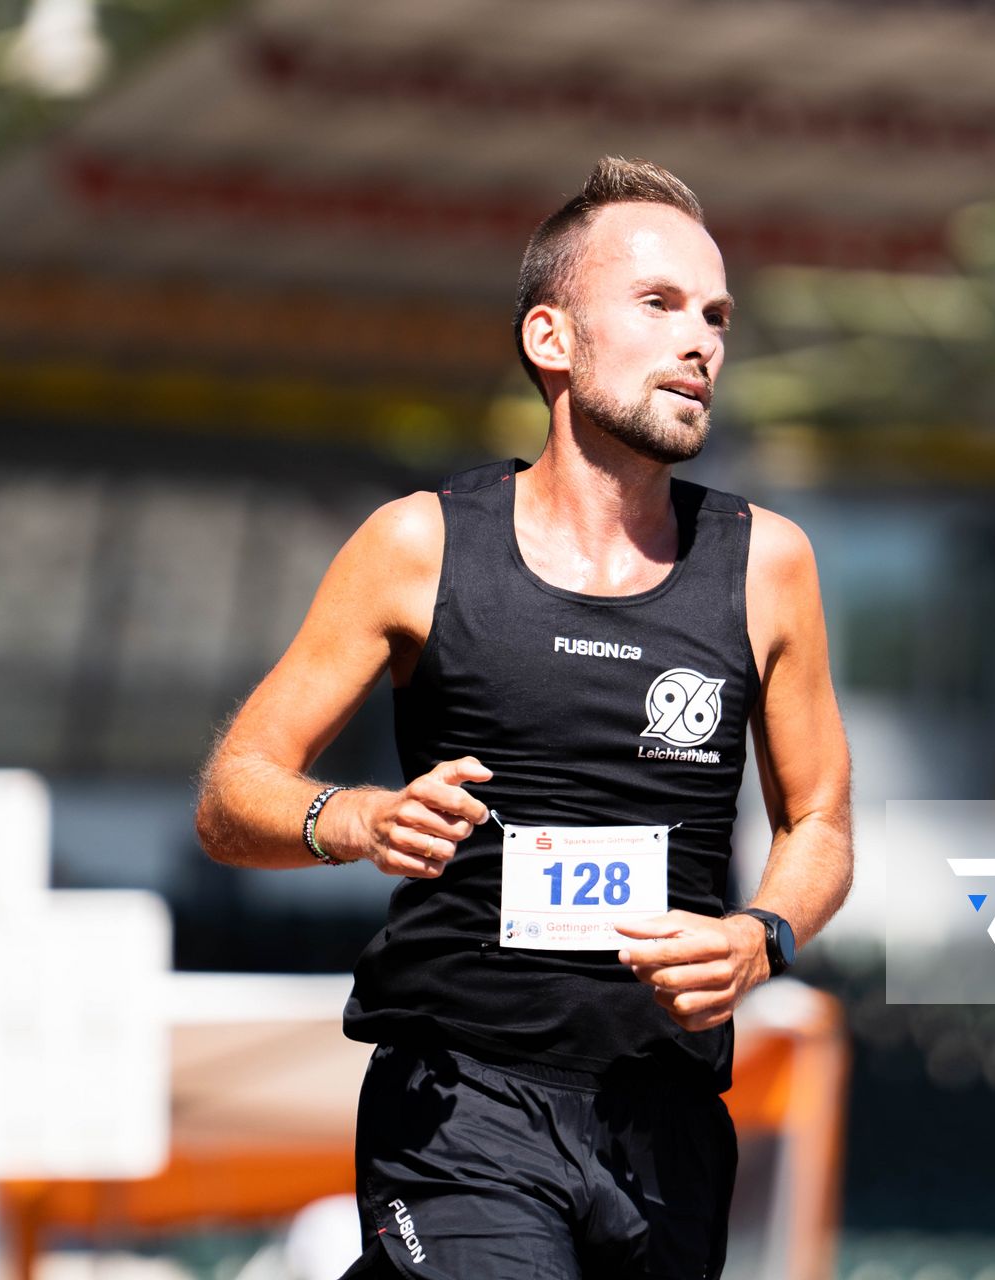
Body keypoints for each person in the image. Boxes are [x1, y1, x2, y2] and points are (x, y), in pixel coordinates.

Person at [194, 156, 854, 1280]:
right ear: (552, 338)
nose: (702, 341)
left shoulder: (769, 563)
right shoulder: (420, 544)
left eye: (716, 315)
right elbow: (234, 789)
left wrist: (762, 934)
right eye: (658, 305)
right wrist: (356, 819)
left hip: (666, 1124)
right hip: (462, 1100)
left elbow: (823, 823)